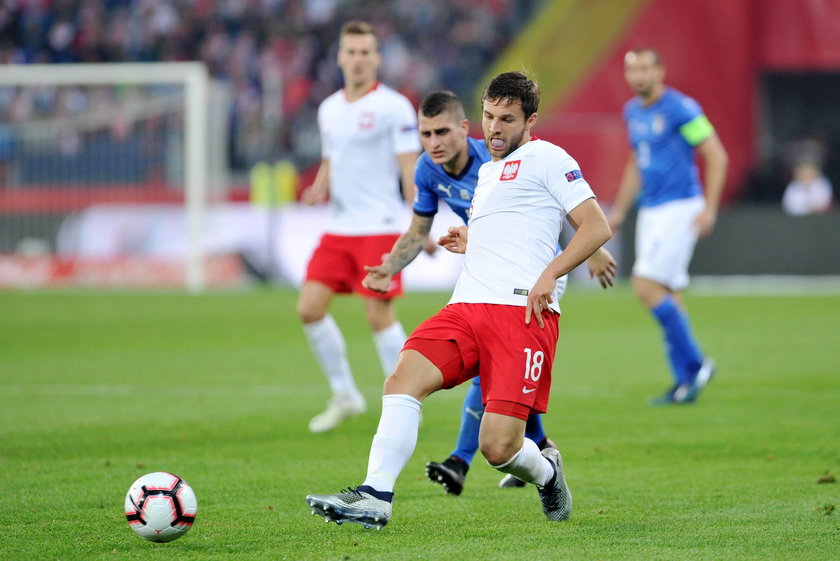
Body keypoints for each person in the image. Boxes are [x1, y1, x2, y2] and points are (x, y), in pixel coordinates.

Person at [305, 71, 612, 528]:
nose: (494, 128)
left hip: (523, 314)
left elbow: (596, 226)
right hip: (466, 307)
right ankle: (375, 495)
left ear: (531, 120)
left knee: (498, 448)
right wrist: (472, 240)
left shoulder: (550, 158)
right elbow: (513, 227)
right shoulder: (487, 172)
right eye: (488, 116)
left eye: (506, 119)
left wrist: (550, 273)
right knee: (402, 380)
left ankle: (547, 474)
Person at [296, 20, 421, 433]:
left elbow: (409, 168)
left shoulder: (394, 107)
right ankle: (345, 395)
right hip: (339, 227)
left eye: (366, 52)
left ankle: (403, 400)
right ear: (339, 57)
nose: (357, 59)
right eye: (351, 52)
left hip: (381, 226)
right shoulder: (329, 108)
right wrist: (318, 188)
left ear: (377, 59)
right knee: (309, 308)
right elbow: (333, 158)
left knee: (377, 317)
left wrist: (419, 221)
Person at [607, 49, 728, 405]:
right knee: (670, 295)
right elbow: (635, 163)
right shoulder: (632, 112)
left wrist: (710, 207)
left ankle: (697, 362)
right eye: (631, 70)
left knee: (645, 285)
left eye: (644, 68)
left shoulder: (680, 108)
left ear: (660, 71)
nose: (638, 76)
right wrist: (620, 211)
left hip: (680, 207)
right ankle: (684, 384)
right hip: (651, 211)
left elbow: (717, 154)